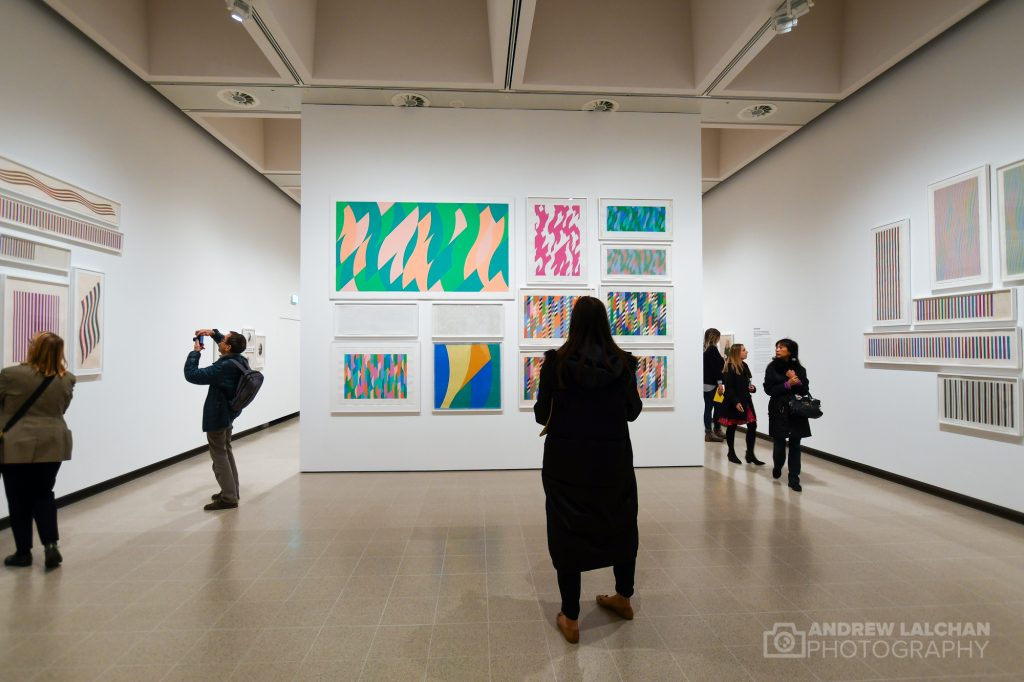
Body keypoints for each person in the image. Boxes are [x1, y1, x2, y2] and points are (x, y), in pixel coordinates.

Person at [533, 296, 643, 644]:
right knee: (621, 523)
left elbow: (541, 414)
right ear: (606, 322)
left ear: (574, 322)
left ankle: (571, 616)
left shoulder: (556, 362)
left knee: (567, 529)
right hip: (613, 459)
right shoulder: (623, 362)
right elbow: (632, 411)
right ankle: (623, 597)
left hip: (566, 460)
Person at [0, 332, 75, 568]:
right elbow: (62, 409)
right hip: (52, 442)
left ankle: (23, 552)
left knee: (17, 498)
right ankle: (50, 545)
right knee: (43, 493)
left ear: (35, 349)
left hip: (15, 443)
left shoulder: (10, 375)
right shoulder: (67, 379)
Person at [185, 328, 248, 511]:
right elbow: (228, 344)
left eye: (223, 341)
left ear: (228, 347)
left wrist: (195, 353)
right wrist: (214, 333)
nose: (220, 343)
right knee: (226, 450)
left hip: (218, 415)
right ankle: (232, 491)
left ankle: (229, 498)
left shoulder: (224, 366)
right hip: (228, 413)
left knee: (219, 454)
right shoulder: (239, 360)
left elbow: (192, 375)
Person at [764, 338, 811, 492]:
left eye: (781, 347)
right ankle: (778, 466)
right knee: (779, 443)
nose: (777, 349)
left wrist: (796, 381)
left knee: (795, 445)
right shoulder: (772, 368)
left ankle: (794, 478)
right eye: (777, 347)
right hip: (779, 409)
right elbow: (769, 390)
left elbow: (804, 390)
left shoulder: (800, 369)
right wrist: (787, 384)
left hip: (796, 410)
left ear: (790, 351)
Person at [717, 343, 764, 466]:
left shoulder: (745, 366)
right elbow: (730, 388)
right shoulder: (730, 367)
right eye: (744, 350)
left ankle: (750, 454)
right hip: (734, 402)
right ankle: (731, 452)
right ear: (737, 353)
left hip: (746, 400)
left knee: (752, 425)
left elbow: (747, 384)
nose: (746, 352)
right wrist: (736, 402)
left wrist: (752, 388)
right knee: (732, 426)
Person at [702, 328, 726, 442]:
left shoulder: (705, 349)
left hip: (705, 385)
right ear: (715, 337)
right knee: (718, 408)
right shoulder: (712, 349)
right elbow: (715, 369)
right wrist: (720, 383)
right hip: (713, 385)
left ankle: (709, 432)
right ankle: (716, 430)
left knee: (708, 409)